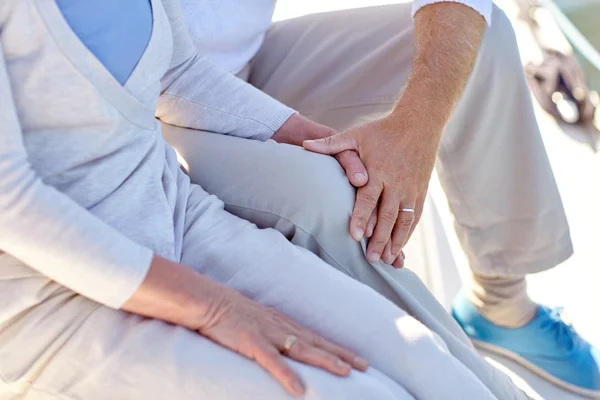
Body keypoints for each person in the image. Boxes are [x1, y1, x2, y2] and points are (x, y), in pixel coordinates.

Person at [0, 0, 530, 399]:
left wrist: (327, 147)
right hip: (52, 300)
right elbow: (11, 203)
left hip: (177, 217)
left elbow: (176, 73)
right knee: (362, 394)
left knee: (428, 366)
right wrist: (214, 306)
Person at [166, 0, 600, 396]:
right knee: (328, 195)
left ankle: (501, 307)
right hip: (146, 116)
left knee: (481, 35)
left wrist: (416, 127)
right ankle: (465, 382)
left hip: (241, 61)